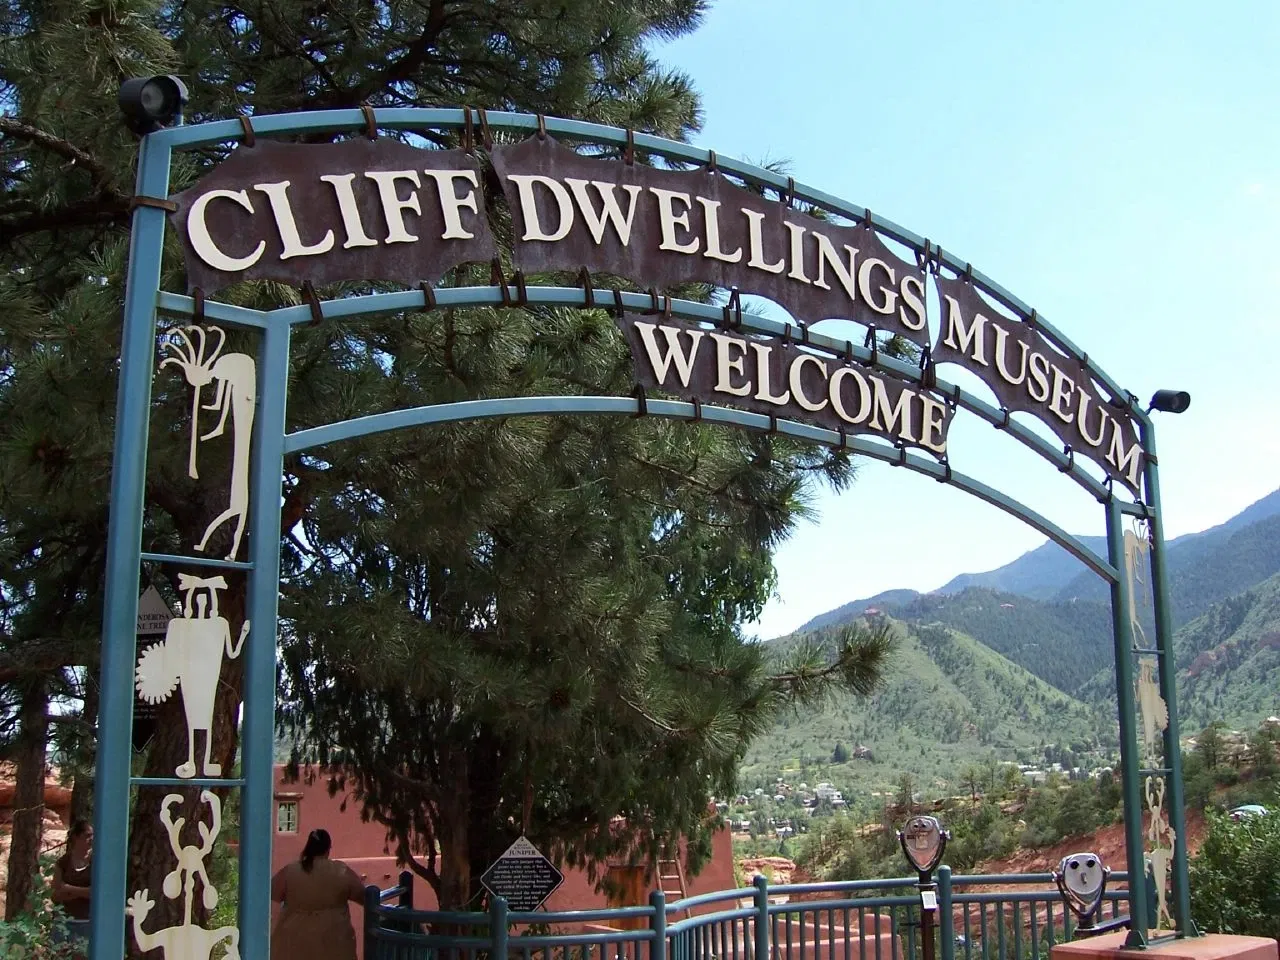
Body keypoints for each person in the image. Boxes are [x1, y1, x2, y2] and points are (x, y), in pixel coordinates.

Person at [270, 828, 365, 960]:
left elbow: (270, 895)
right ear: (328, 849)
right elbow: (364, 897)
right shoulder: (341, 871)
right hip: (335, 942)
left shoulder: (290, 871)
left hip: (293, 942)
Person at [51, 820, 94, 958]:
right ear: (76, 837)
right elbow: (55, 895)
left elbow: (96, 894)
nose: (91, 839)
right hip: (64, 923)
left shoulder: (97, 862)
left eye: (93, 835)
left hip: (87, 922)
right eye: (87, 835)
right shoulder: (63, 863)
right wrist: (83, 892)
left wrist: (69, 888)